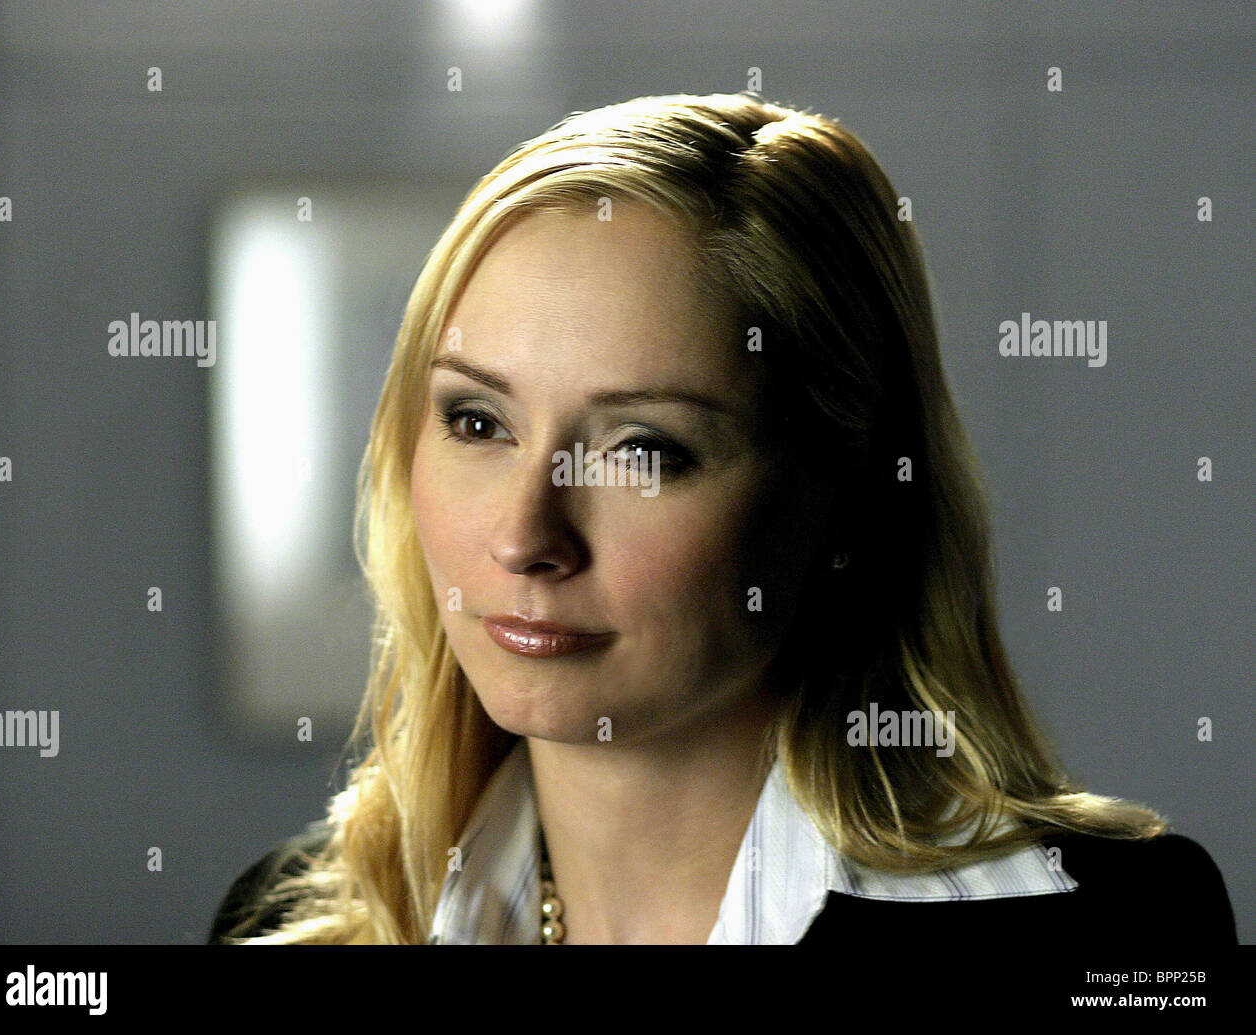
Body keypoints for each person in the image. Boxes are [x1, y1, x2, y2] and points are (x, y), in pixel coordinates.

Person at [208, 92, 1237, 946]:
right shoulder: (292, 922)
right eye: (477, 421)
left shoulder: (1111, 930)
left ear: (846, 493)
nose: (524, 538)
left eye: (645, 450)